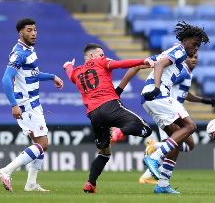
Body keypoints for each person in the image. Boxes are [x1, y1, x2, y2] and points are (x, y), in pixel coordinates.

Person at [63, 43, 154, 193]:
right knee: (146, 128)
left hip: (94, 114)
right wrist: (144, 61)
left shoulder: (77, 72)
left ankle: (90, 184)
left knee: (104, 152)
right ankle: (120, 132)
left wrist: (67, 66)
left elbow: (70, 75)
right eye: (101, 54)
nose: (104, 56)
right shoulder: (102, 62)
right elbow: (122, 64)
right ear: (92, 56)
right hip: (110, 105)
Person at [140, 21, 210, 194]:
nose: (195, 50)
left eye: (198, 47)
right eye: (194, 45)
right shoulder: (179, 52)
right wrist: (157, 88)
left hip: (151, 98)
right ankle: (155, 156)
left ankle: (162, 184)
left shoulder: (176, 58)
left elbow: (150, 64)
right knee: (191, 127)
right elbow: (158, 65)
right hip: (159, 96)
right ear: (185, 40)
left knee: (176, 141)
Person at [0, 18, 64, 192]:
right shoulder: (19, 53)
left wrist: (52, 77)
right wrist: (14, 104)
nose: (33, 33)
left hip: (34, 103)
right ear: (21, 33)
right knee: (43, 144)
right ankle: (6, 171)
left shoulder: (29, 50)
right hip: (27, 105)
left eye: (34, 30)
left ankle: (31, 184)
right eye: (29, 30)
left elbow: (32, 74)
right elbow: (5, 78)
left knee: (40, 144)